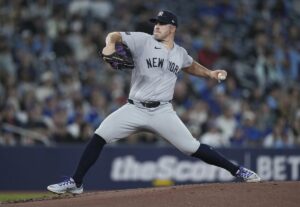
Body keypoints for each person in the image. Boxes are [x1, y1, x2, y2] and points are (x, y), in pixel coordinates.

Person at [47, 10, 261, 194]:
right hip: (134, 108)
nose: (156, 26)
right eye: (155, 23)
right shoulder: (143, 40)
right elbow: (114, 35)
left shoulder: (180, 53)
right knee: (99, 136)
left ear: (173, 28)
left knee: (192, 147)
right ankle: (76, 182)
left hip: (162, 112)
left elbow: (190, 65)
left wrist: (211, 74)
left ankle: (238, 171)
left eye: (161, 24)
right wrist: (110, 45)